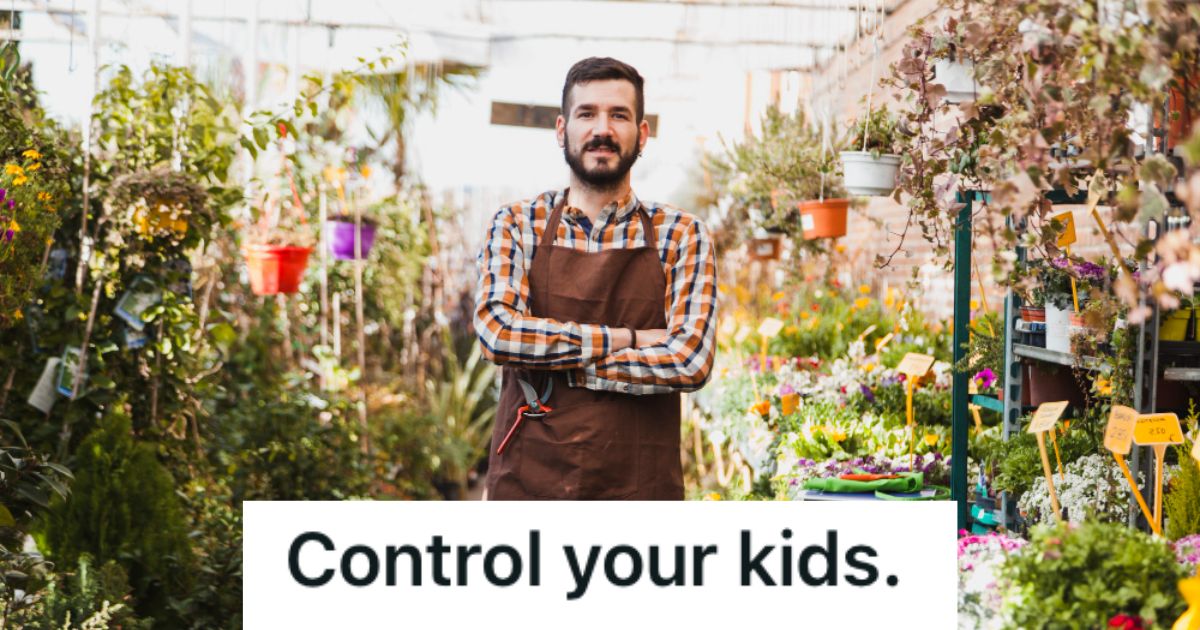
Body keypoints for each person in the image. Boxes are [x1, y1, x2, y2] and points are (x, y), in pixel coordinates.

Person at [474, 57, 717, 500]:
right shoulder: (516, 224)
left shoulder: (681, 234)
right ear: (562, 130)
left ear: (641, 135)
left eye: (618, 115)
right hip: (529, 484)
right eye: (587, 113)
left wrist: (561, 363)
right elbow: (498, 334)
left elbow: (689, 361)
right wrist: (627, 338)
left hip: (639, 487)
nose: (602, 129)